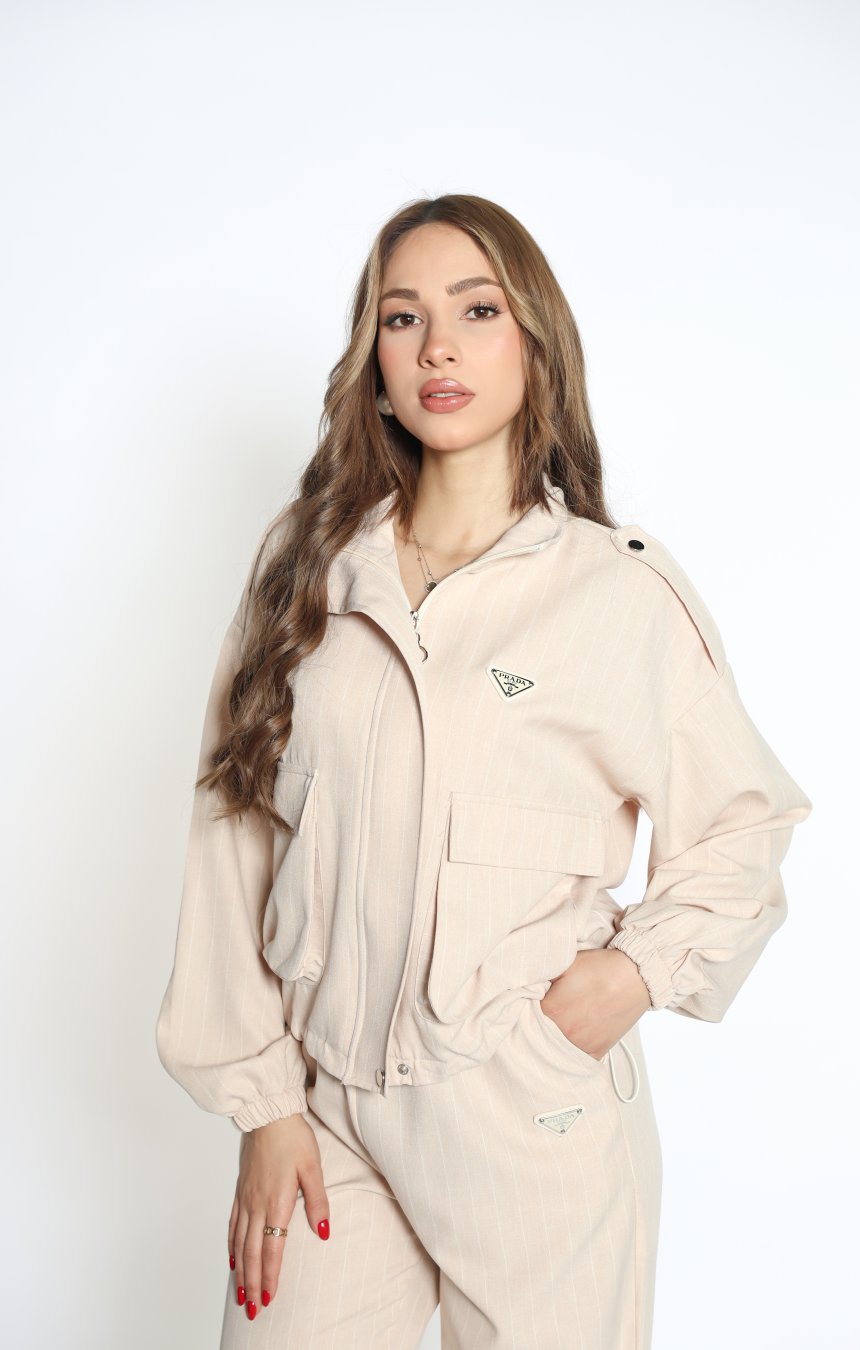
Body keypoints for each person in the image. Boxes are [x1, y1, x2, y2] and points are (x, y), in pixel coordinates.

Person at [156, 193, 813, 1349]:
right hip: (329, 1114)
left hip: (529, 1118)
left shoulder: (617, 593)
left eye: (477, 310)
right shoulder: (304, 572)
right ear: (373, 361)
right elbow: (236, 829)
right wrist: (263, 1107)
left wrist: (632, 975)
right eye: (402, 318)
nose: (438, 349)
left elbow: (743, 825)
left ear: (535, 342)